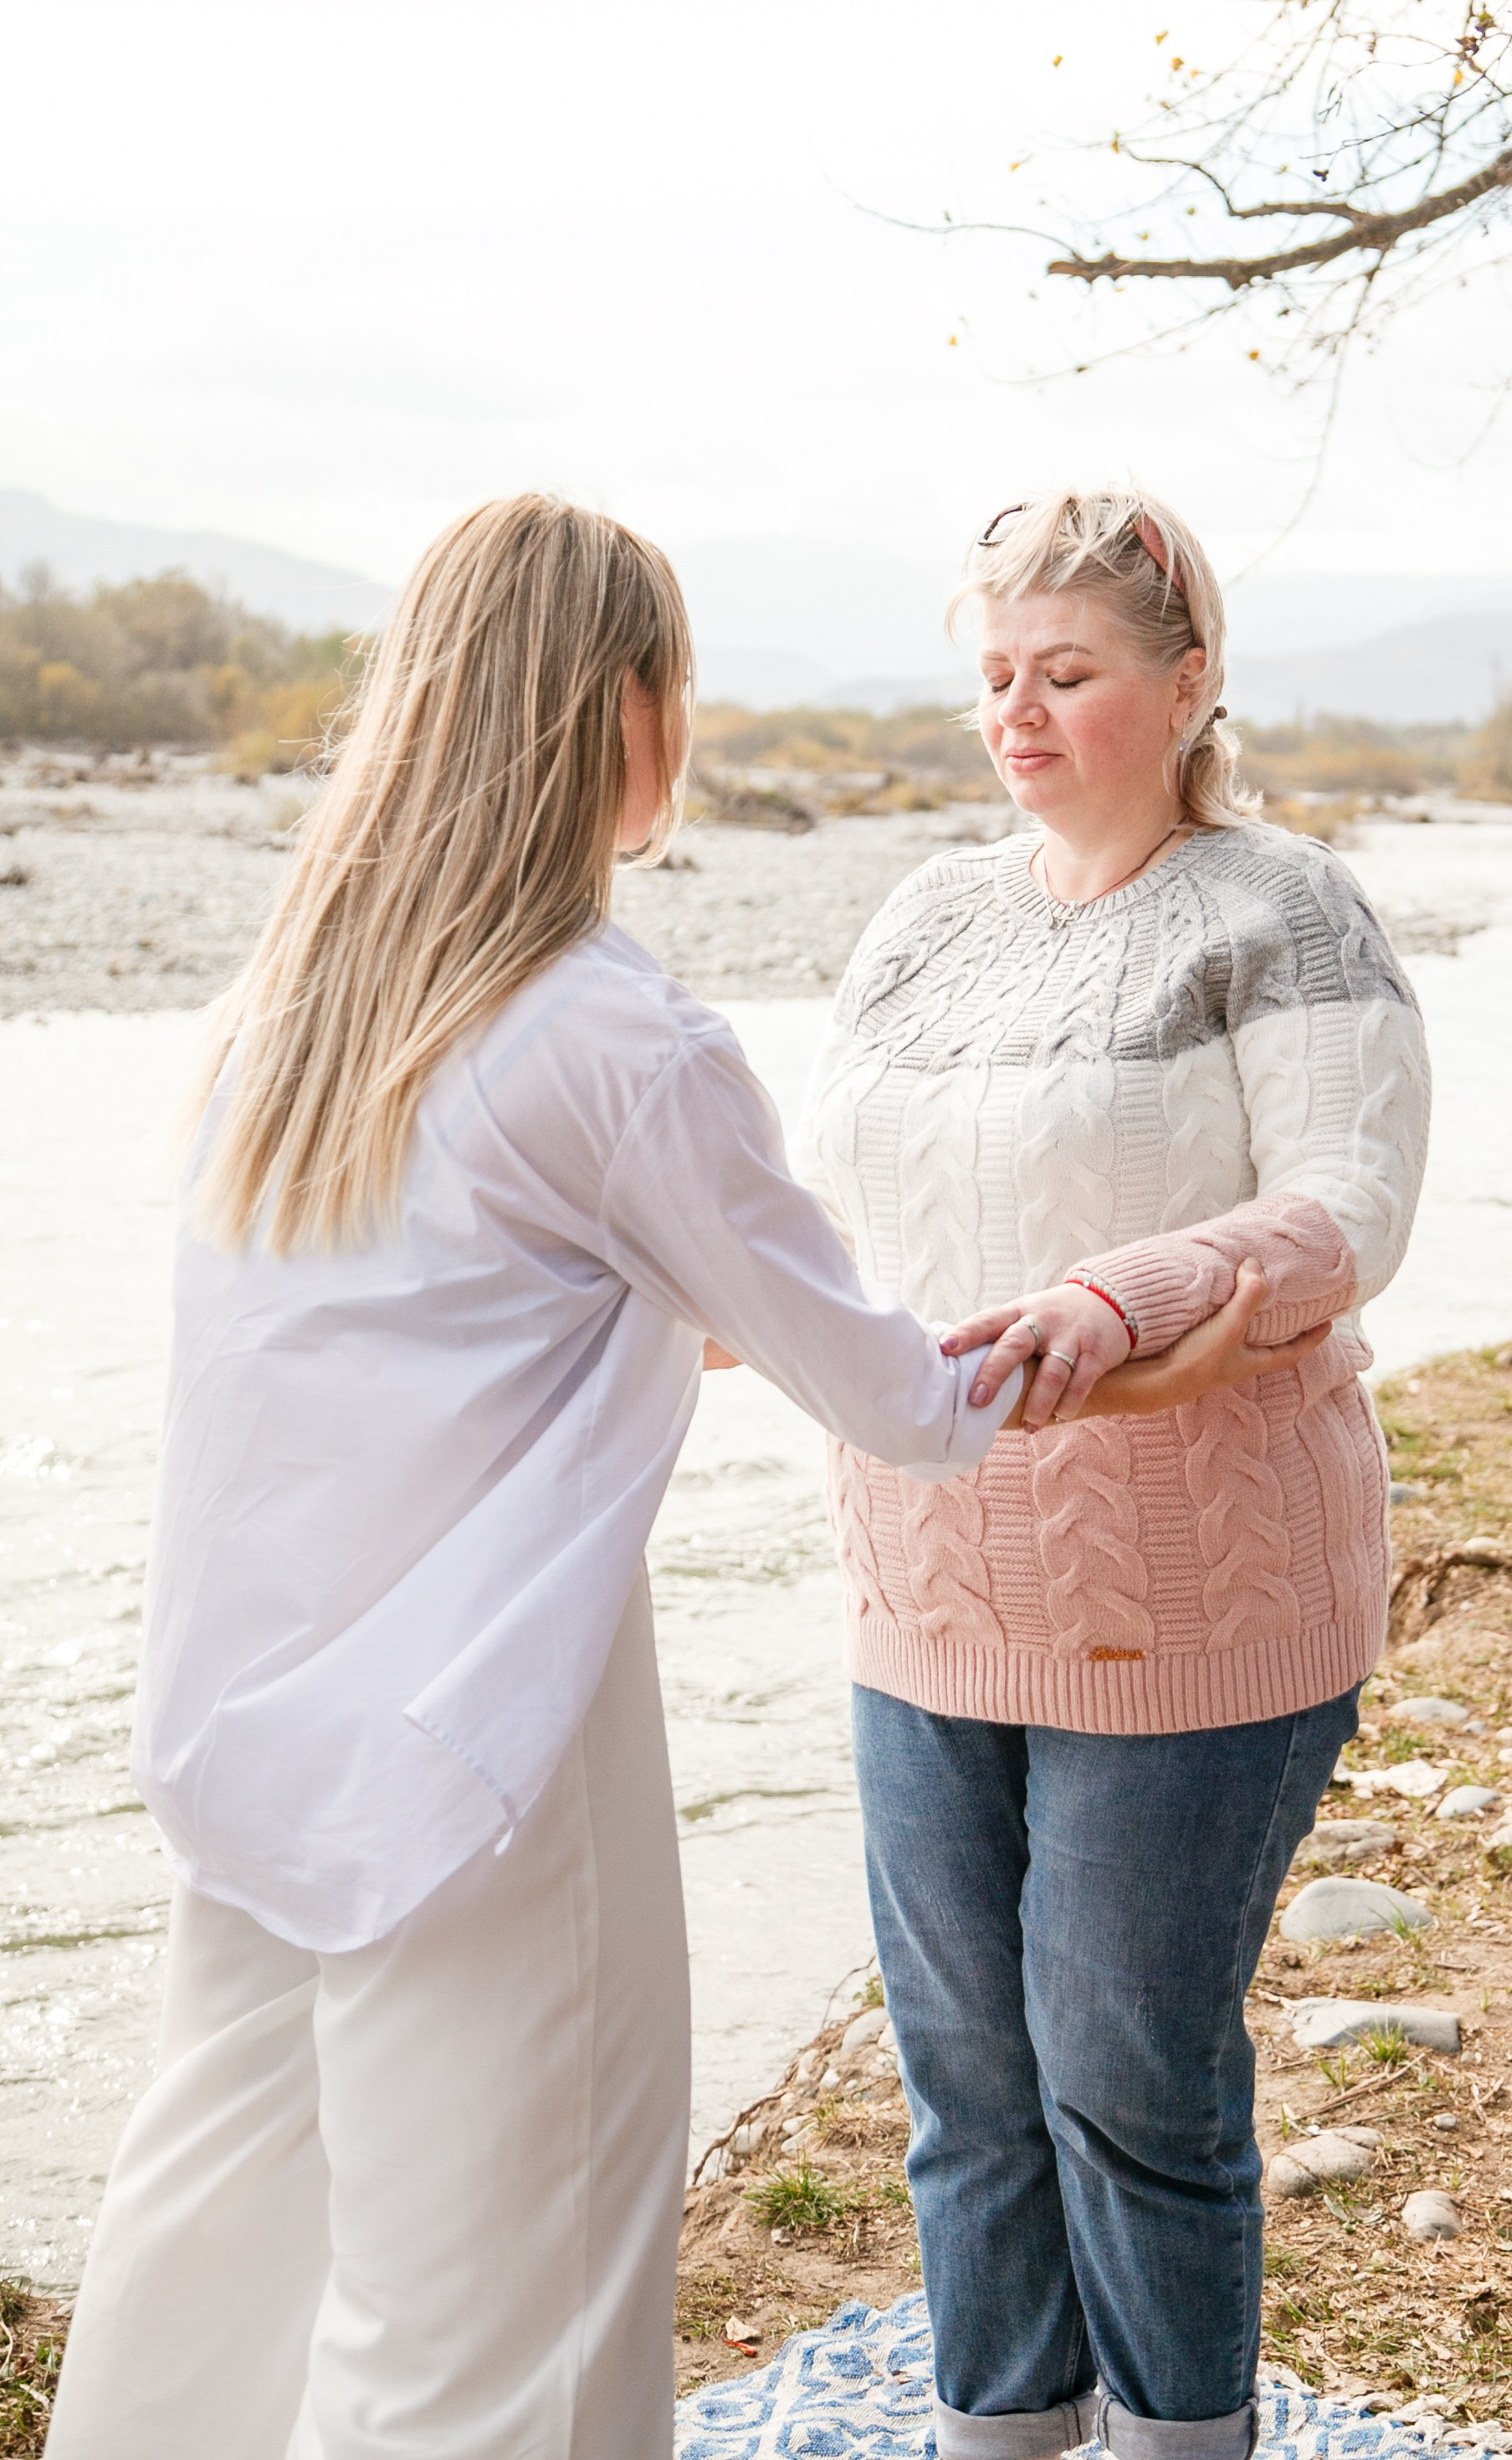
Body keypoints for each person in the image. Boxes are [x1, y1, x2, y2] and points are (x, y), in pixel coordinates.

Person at [43, 495, 1323, 2460]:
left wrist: (671, 1312)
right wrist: (1159, 1368)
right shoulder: (614, 1034)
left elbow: (452, 1322)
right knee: (494, 2310)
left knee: (214, 2242)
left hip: (240, 1736)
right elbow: (900, 1395)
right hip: (487, 1752)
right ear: (623, 710)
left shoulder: (279, 1025)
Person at [795, 487, 1431, 2460]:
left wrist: (1122, 1291)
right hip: (920, 1584)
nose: (1019, 712)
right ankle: (1000, 2436)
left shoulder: (1283, 908)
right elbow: (824, 1205)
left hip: (1195, 1600)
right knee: (964, 2078)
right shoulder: (922, 920)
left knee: (1126, 2079)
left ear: (1186, 680)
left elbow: (1349, 1205)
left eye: (1065, 672)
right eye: (994, 675)